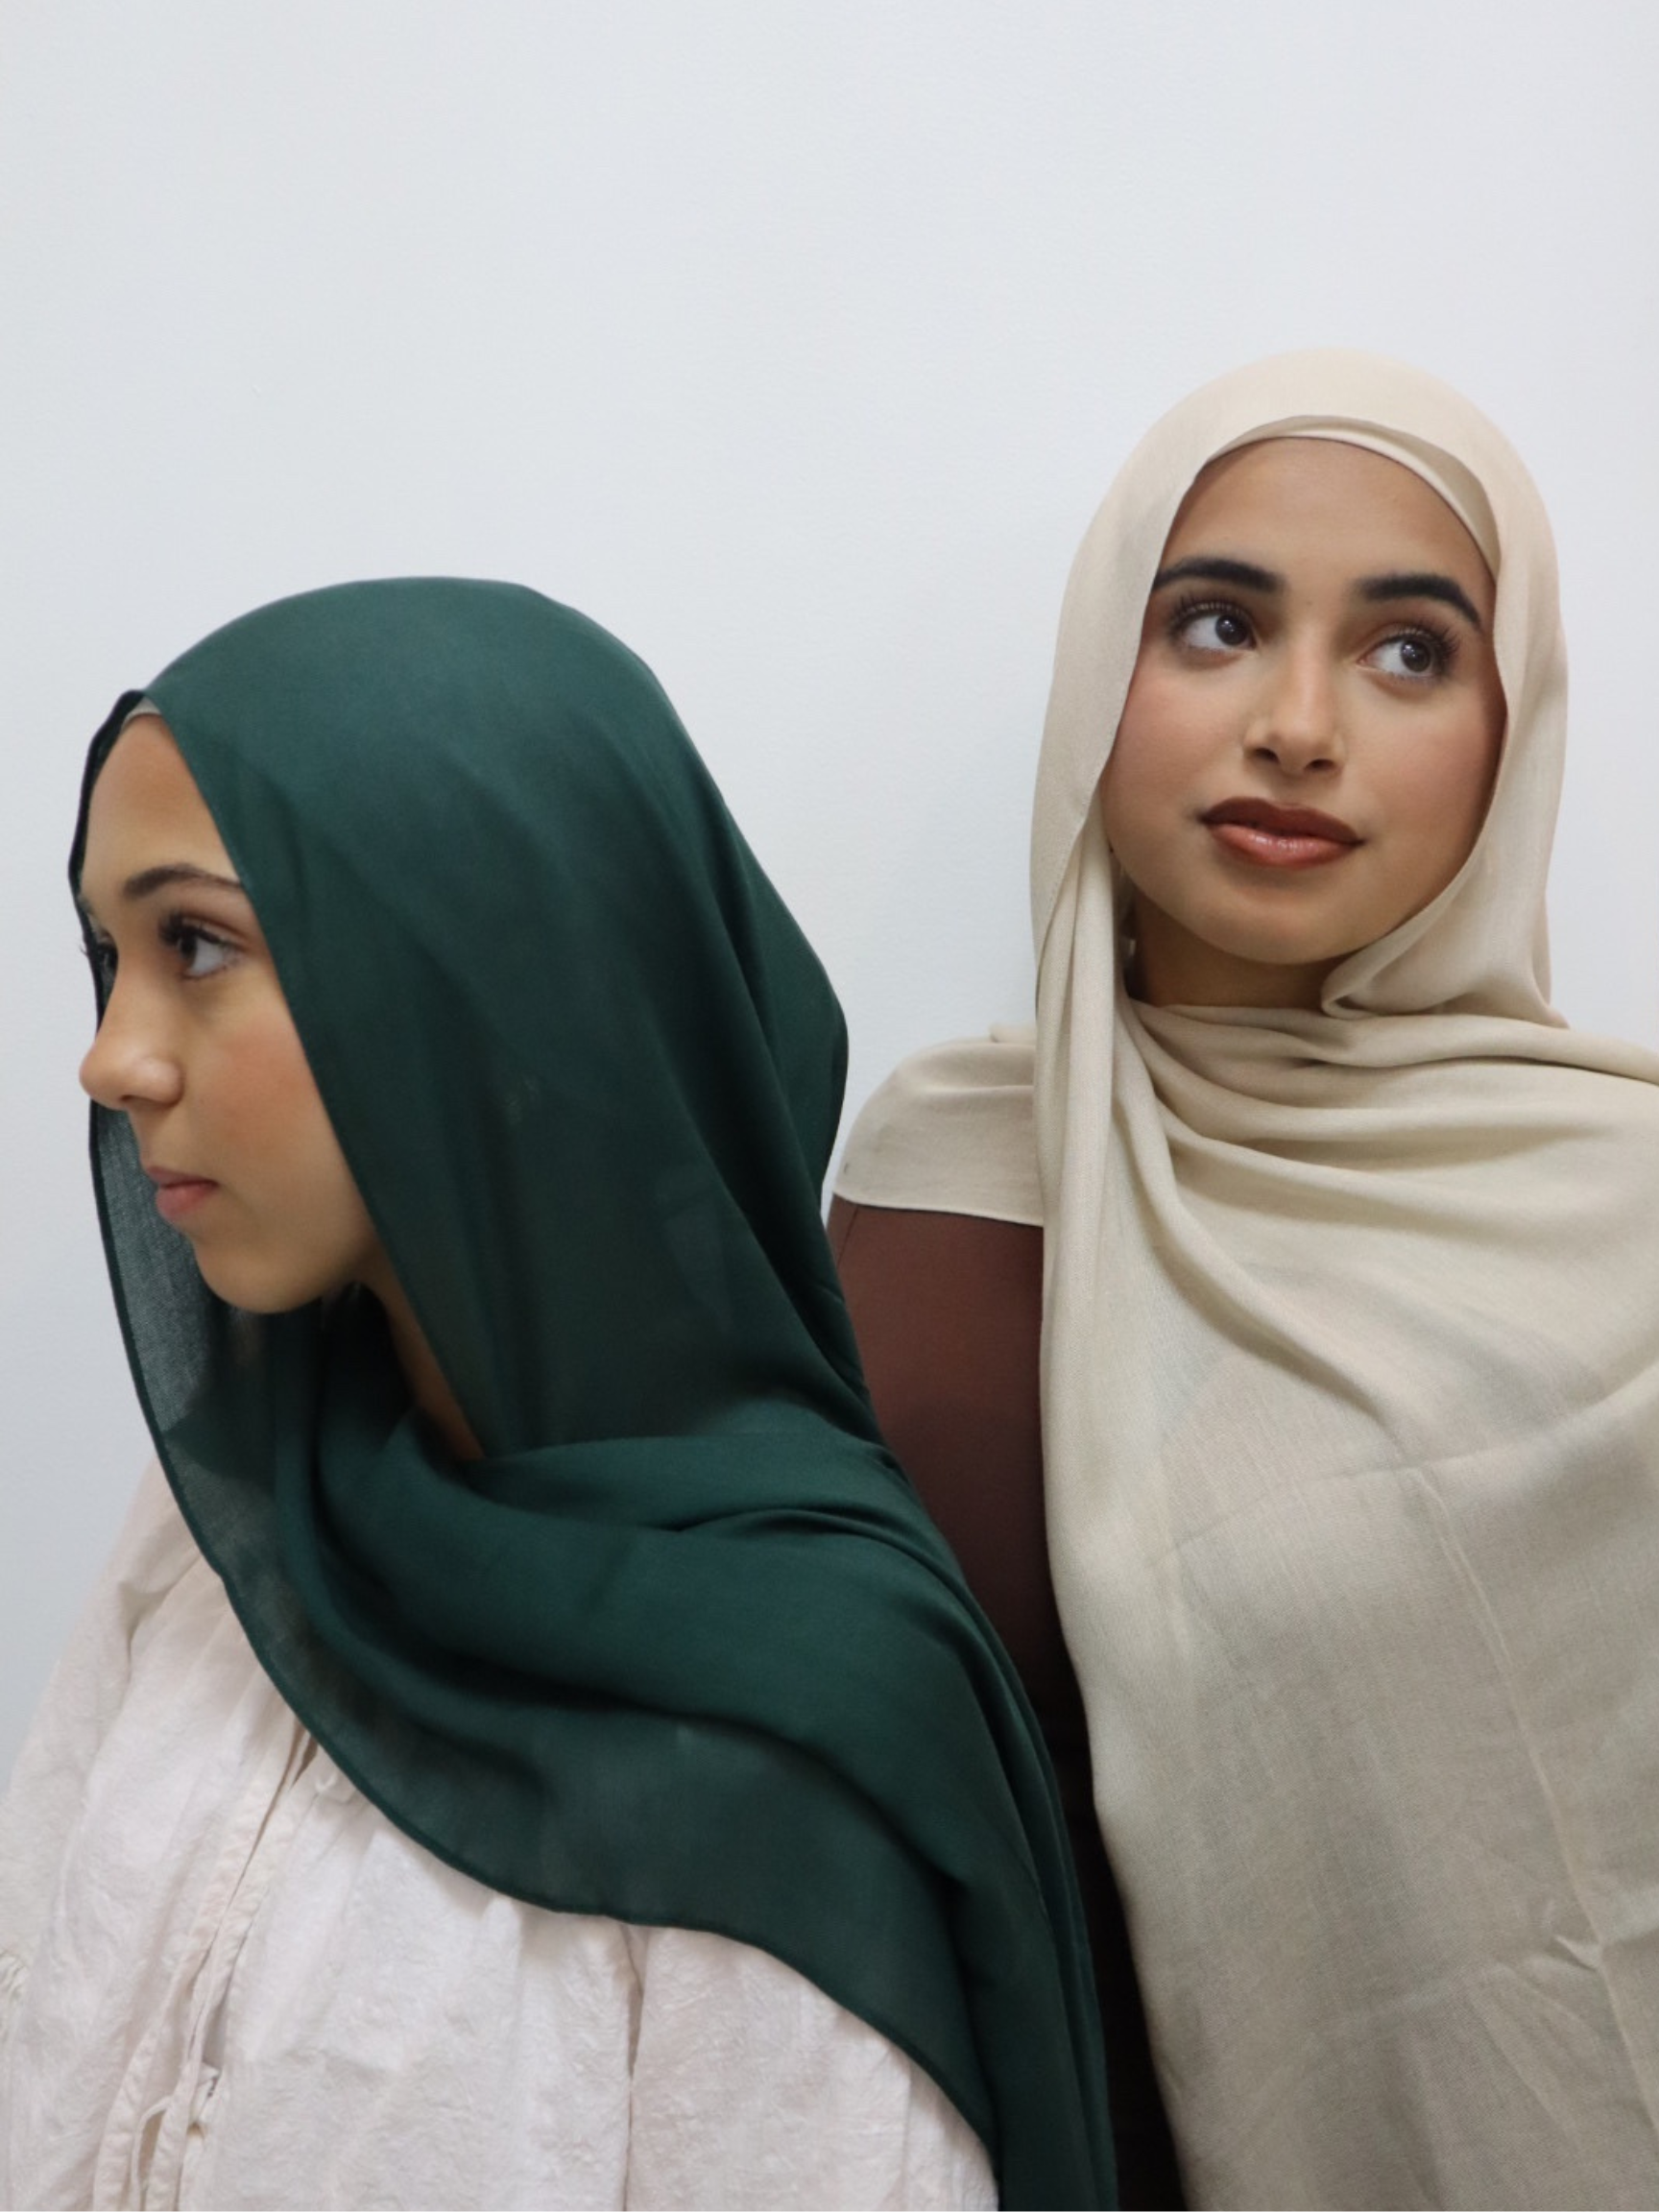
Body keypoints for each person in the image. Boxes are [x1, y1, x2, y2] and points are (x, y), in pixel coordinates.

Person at [0, 579, 1115, 2210]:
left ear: (471, 976)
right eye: (111, 954)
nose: (112, 1056)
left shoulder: (789, 1729)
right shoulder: (227, 1521)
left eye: (199, 946)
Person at [831, 351, 1659, 2209]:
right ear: (1093, 683)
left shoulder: (1625, 1212)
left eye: (1409, 652)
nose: (1298, 725)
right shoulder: (936, 1190)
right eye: (1215, 625)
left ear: (1512, 728)